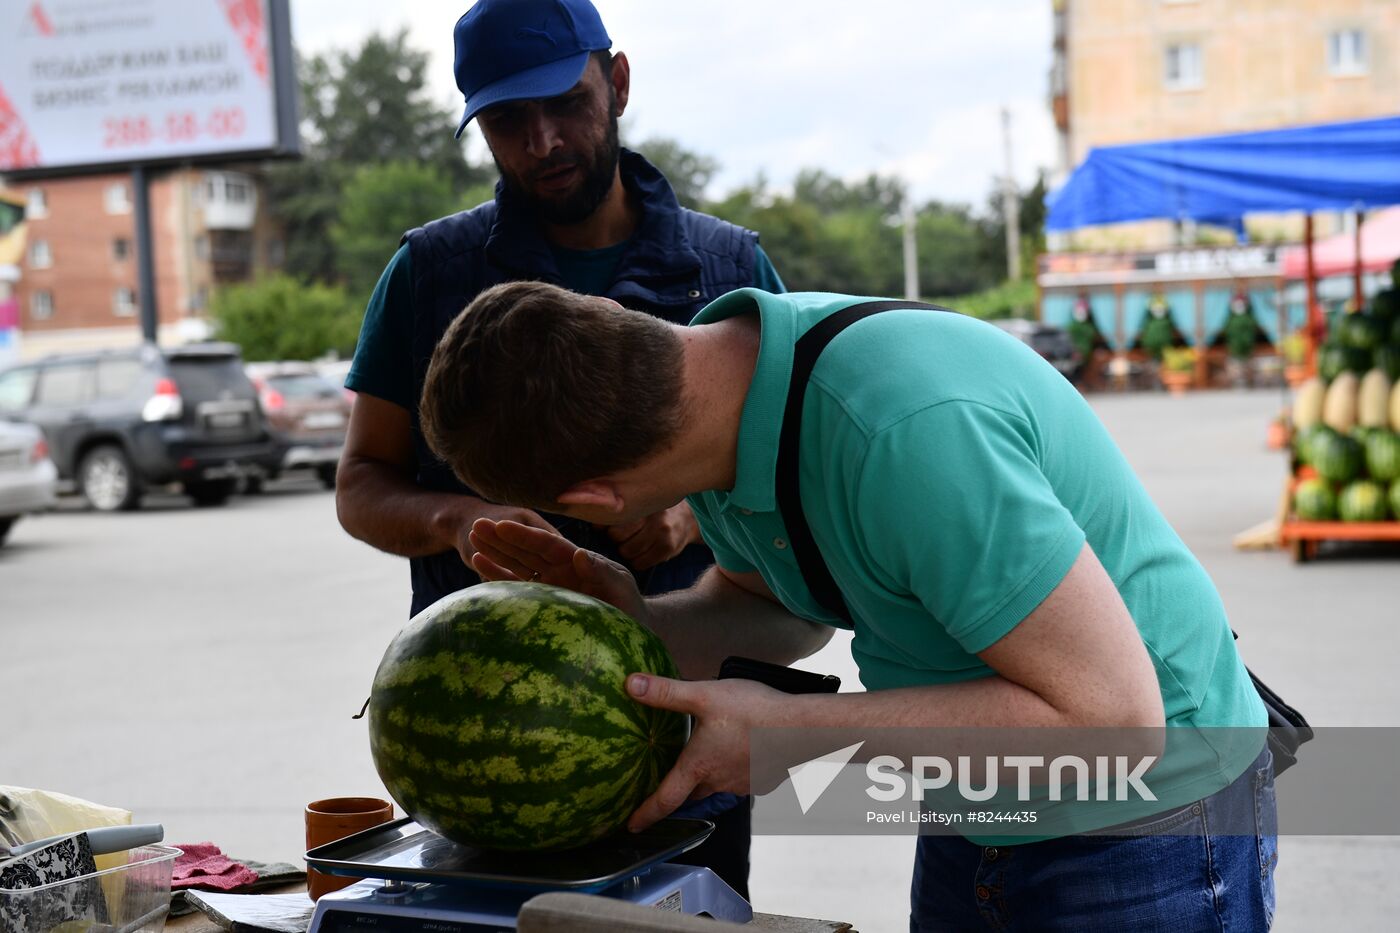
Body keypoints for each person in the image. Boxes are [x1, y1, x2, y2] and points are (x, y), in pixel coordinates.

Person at [418, 282, 1278, 930]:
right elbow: (789, 613)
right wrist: (638, 618)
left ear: (594, 496)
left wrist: (791, 735)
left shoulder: (901, 432)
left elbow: (1115, 722)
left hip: (1146, 812)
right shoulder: (712, 414)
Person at [334, 0, 782, 896]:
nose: (542, 142)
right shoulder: (428, 273)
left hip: (688, 716)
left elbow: (791, 486)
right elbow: (359, 484)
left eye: (566, 104)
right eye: (506, 120)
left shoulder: (730, 272)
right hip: (490, 744)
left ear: (615, 82)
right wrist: (457, 516)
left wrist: (694, 517)